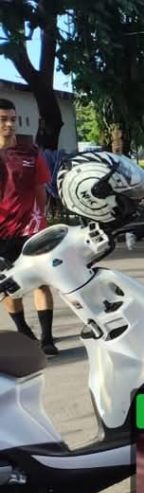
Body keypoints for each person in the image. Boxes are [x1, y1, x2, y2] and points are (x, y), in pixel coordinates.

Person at [0, 98, 58, 355]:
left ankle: (47, 338)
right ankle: (24, 331)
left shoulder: (30, 152)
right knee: (11, 287)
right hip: (2, 234)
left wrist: (40, 220)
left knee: (42, 282)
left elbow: (40, 190)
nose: (9, 124)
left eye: (12, 119)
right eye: (3, 119)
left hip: (30, 230)